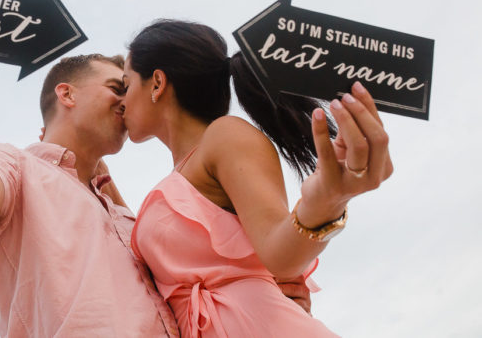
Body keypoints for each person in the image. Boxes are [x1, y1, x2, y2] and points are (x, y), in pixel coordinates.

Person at [0, 41, 313, 337]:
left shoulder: (134, 220)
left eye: (128, 89)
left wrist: (266, 297)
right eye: (117, 87)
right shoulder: (15, 167)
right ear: (67, 94)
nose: (126, 101)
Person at [121, 20, 394, 337]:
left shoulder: (224, 136)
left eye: (125, 85)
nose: (122, 100)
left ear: (157, 82)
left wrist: (325, 203)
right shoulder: (186, 167)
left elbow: (280, 255)